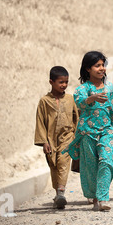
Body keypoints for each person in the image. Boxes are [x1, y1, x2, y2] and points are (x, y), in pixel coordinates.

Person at [62, 51, 113, 212]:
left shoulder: (109, 87)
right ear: (88, 69)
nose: (101, 68)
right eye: (97, 66)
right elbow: (80, 104)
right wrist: (92, 98)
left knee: (106, 161)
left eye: (103, 65)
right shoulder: (82, 89)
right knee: (90, 167)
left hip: (106, 131)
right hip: (87, 133)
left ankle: (103, 198)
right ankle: (94, 197)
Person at [34, 66, 78, 209]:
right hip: (50, 138)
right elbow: (40, 121)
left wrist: (76, 138)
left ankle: (61, 192)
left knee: (63, 162)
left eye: (66, 82)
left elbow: (76, 118)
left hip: (67, 137)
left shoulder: (70, 99)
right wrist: (44, 141)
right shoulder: (44, 101)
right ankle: (57, 195)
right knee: (53, 164)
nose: (64, 85)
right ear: (51, 82)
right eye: (61, 82)